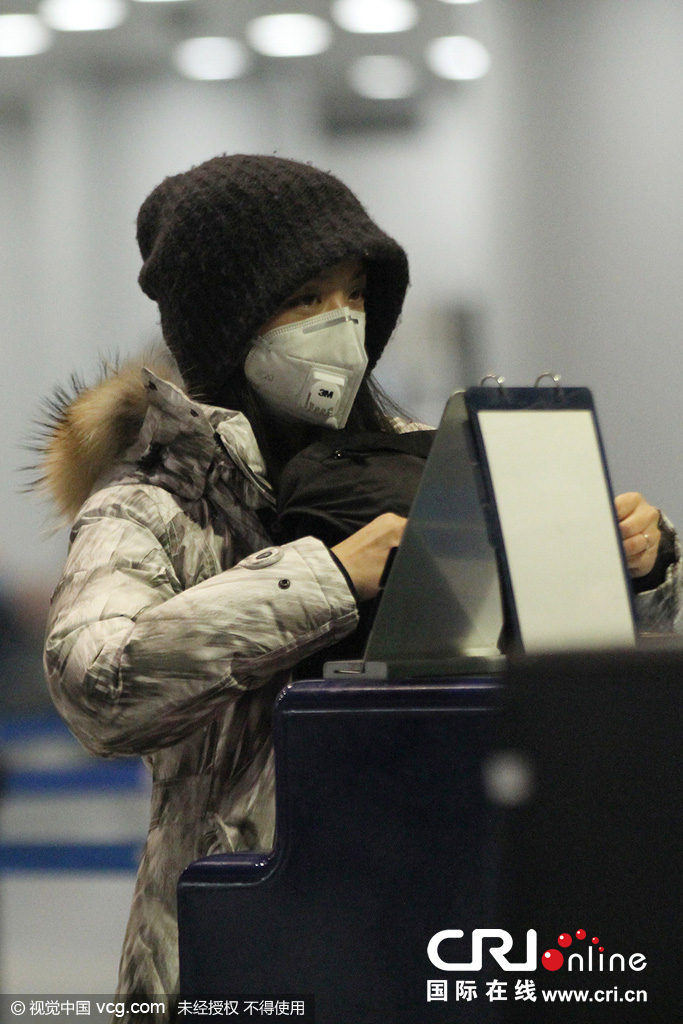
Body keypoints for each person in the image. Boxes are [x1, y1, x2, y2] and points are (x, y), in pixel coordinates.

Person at [38, 154, 678, 1019]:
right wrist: (325, 576)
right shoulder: (150, 503)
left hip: (425, 920)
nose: (339, 322)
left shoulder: (423, 465)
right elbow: (95, 684)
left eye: (353, 293)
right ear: (226, 320)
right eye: (305, 299)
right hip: (237, 938)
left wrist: (640, 567)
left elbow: (541, 650)